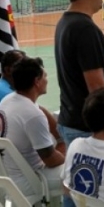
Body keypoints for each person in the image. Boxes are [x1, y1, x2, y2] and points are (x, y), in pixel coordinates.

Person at [55, 0, 104, 146]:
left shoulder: (65, 22)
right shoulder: (85, 29)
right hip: (86, 128)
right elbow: (97, 87)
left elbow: (82, 61)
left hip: (71, 118)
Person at [0, 58, 64, 198]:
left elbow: (38, 109)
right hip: (29, 180)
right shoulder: (32, 115)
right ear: (37, 82)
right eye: (45, 76)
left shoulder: (9, 100)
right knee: (80, 170)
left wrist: (59, 137)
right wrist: (67, 153)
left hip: (9, 174)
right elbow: (51, 160)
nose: (47, 80)